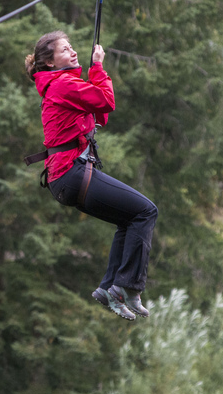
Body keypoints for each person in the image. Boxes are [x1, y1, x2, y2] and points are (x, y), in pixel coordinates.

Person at [24, 31, 158, 321]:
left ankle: (112, 287)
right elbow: (107, 101)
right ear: (49, 62)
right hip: (72, 173)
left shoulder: (61, 84)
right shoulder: (61, 84)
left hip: (66, 177)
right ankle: (126, 287)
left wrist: (94, 73)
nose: (73, 53)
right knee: (146, 211)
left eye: (72, 48)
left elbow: (100, 115)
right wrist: (97, 67)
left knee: (129, 219)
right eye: (65, 50)